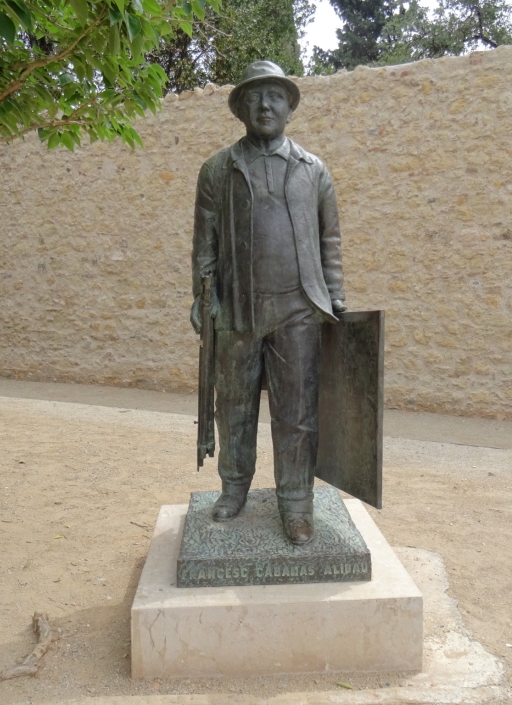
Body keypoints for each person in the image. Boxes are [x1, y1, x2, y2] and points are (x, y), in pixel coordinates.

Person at [190, 60, 346, 545]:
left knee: (296, 414)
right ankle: (233, 488)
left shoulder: (312, 169)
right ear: (241, 109)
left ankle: (296, 505)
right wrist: (202, 293)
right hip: (236, 309)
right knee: (233, 406)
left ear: (289, 107)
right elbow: (205, 241)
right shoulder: (218, 169)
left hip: (299, 310)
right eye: (255, 97)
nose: (265, 106)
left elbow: (330, 242)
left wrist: (337, 297)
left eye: (275, 96)